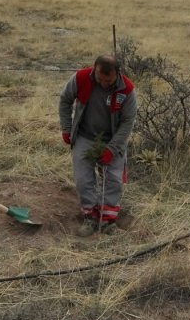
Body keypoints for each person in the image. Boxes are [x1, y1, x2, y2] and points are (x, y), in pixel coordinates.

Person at [59, 55, 137, 236]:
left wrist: (112, 149)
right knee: (83, 179)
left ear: (117, 74)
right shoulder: (81, 78)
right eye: (99, 78)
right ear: (95, 69)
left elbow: (127, 123)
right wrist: (66, 127)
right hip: (85, 136)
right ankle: (90, 218)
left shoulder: (127, 90)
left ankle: (108, 221)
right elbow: (65, 100)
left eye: (108, 81)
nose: (103, 83)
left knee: (114, 180)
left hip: (113, 139)